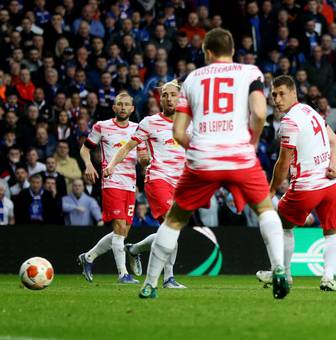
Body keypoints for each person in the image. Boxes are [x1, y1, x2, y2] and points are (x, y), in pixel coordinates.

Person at [139, 28, 288, 300]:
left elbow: (178, 132)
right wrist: (252, 142)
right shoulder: (250, 72)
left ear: (207, 52)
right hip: (240, 156)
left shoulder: (192, 79)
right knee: (265, 209)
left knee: (173, 220)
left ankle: (149, 284)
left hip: (202, 159)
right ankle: (279, 268)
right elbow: (257, 112)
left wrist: (195, 148)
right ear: (232, 50)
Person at [256, 75, 336, 292]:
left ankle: (282, 272)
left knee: (278, 224)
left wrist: (271, 190)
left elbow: (283, 162)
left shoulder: (289, 122)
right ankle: (328, 278)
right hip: (331, 185)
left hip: (306, 187)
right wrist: (334, 165)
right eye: (273, 95)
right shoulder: (309, 111)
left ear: (293, 93)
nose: (276, 99)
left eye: (281, 94)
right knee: (333, 232)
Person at [103, 80, 187, 289]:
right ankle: (168, 278)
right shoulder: (149, 122)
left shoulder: (189, 122)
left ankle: (135, 250)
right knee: (172, 225)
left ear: (181, 97)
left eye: (173, 95)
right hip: (158, 179)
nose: (168, 99)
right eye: (165, 95)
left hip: (181, 183)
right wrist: (112, 164)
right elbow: (127, 146)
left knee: (168, 231)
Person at [77, 92, 140, 284]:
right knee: (119, 227)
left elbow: (144, 155)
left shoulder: (139, 129)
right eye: (119, 104)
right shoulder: (102, 126)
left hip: (131, 184)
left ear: (132, 109)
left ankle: (88, 257)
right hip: (111, 181)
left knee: (122, 232)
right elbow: (85, 148)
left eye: (126, 104)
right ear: (114, 108)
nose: (122, 107)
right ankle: (123, 275)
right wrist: (88, 164)